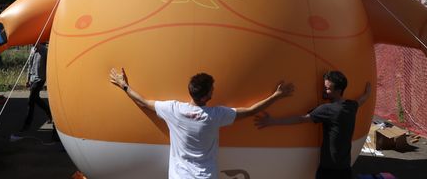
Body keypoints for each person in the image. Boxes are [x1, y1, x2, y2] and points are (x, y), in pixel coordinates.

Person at [109, 68, 294, 179]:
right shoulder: (215, 116)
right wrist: (277, 96)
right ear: (207, 96)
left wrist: (123, 85)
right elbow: (251, 111)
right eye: (212, 89)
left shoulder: (173, 110)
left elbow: (143, 102)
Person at [254, 71, 371, 179]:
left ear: (338, 91)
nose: (323, 91)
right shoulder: (350, 106)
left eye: (327, 88)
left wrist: (272, 121)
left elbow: (301, 119)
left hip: (329, 170)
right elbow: (361, 101)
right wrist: (368, 93)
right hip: (345, 167)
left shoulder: (328, 109)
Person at [22, 42, 52, 131]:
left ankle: (27, 124)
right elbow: (29, 65)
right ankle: (49, 112)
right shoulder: (32, 50)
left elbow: (49, 66)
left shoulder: (45, 51)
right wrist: (27, 79)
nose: (33, 43)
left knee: (31, 100)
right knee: (36, 99)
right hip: (32, 78)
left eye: (34, 41)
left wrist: (49, 80)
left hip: (40, 79)